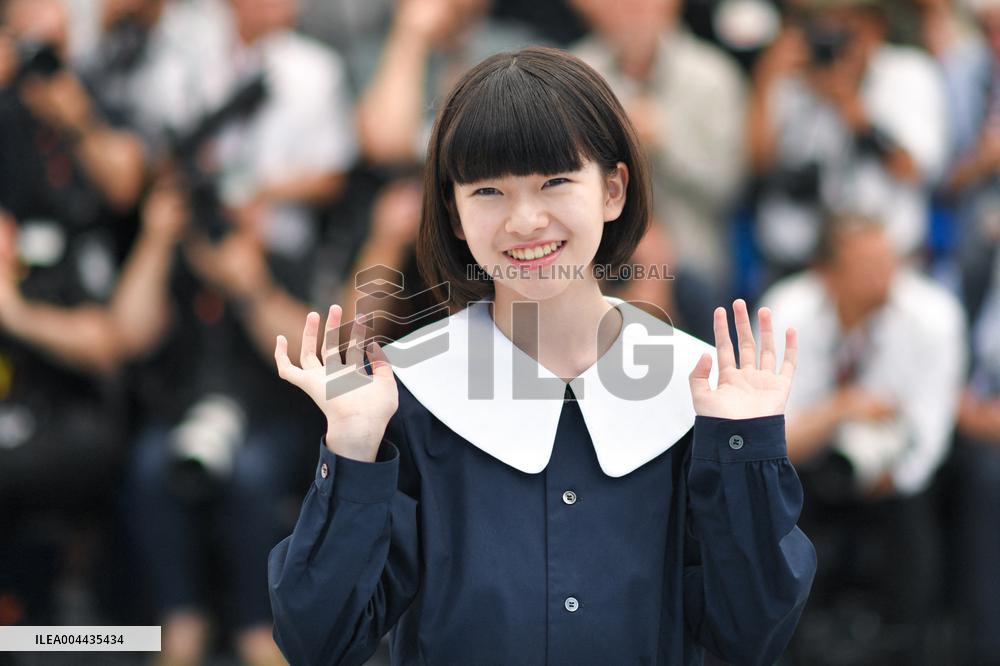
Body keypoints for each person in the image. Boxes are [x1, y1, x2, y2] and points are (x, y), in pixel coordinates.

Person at [266, 47, 815, 665]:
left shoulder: (694, 389)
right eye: (489, 191)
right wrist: (353, 446)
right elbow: (320, 641)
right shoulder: (407, 392)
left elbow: (751, 635)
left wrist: (743, 446)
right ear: (452, 211)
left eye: (555, 181)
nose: (525, 220)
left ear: (613, 188)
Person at [758, 212, 966, 662]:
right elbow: (770, 437)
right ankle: (786, 647)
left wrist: (891, 474)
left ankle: (913, 647)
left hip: (897, 476)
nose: (882, 278)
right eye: (866, 266)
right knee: (774, 508)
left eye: (888, 262)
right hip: (806, 467)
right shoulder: (785, 311)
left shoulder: (934, 316)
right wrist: (842, 408)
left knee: (920, 520)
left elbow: (930, 435)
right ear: (826, 274)